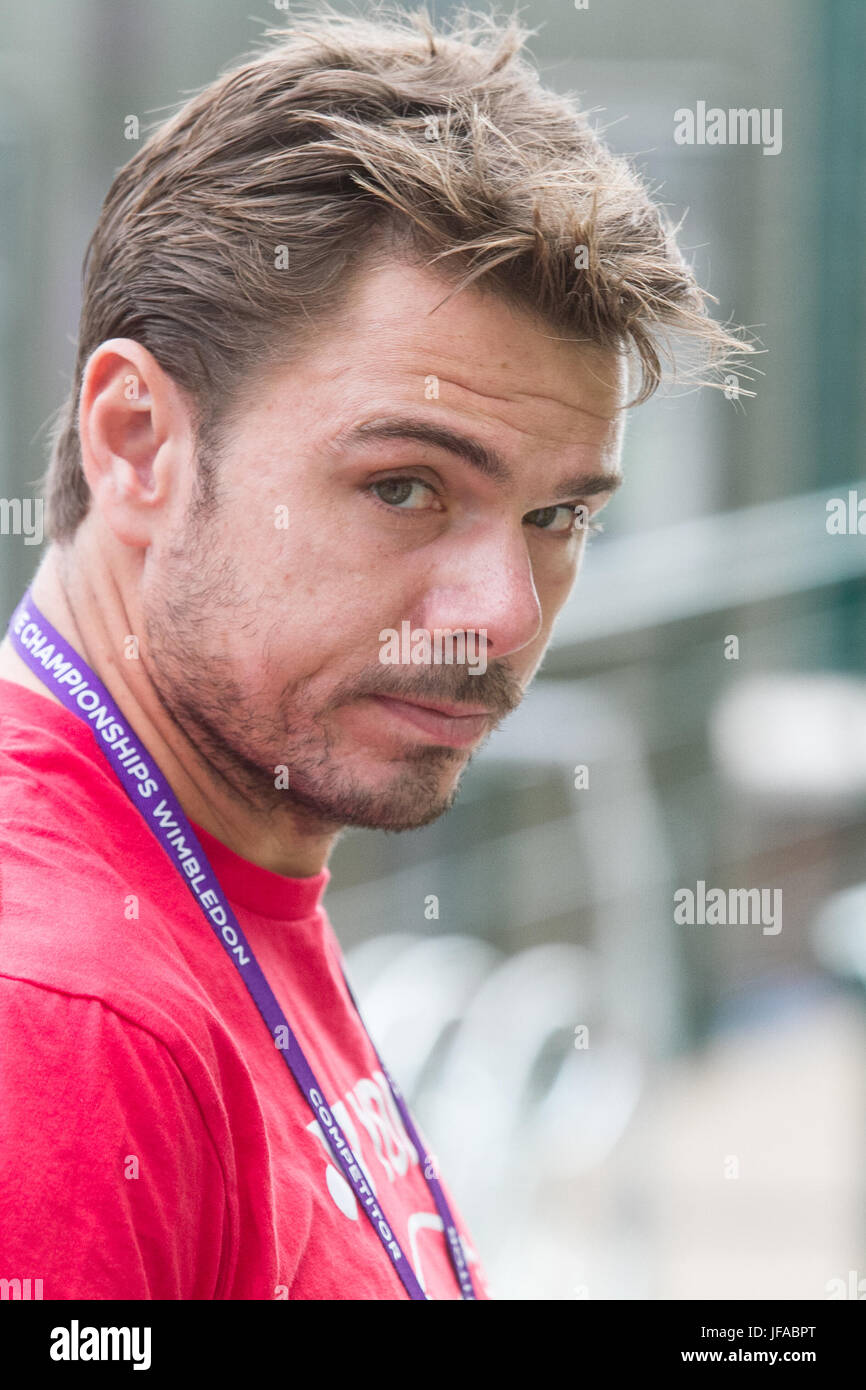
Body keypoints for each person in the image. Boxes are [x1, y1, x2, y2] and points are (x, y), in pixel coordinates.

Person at [0, 5, 747, 1300]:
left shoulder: (229, 836)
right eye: (404, 487)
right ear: (136, 442)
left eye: (558, 516)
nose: (502, 615)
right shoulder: (62, 1015)